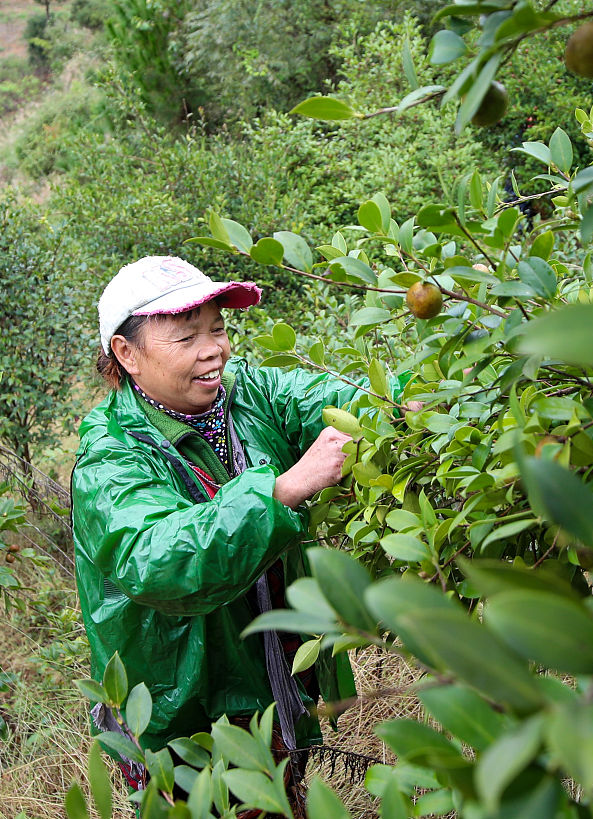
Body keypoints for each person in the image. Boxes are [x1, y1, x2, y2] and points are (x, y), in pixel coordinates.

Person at [73, 256, 382, 814]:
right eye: (186, 336)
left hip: (273, 669)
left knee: (279, 794)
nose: (212, 348)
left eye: (217, 328)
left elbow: (355, 399)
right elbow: (157, 559)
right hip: (180, 703)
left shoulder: (252, 397)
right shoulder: (111, 454)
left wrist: (413, 401)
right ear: (127, 354)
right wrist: (280, 492)